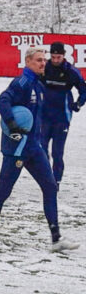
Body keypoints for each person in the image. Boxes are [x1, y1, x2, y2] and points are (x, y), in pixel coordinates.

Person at [0, 47, 79, 252]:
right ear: (28, 61)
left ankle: (56, 238)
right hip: (17, 149)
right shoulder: (22, 82)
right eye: (38, 60)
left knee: (50, 187)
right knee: (3, 191)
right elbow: (2, 101)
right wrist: (11, 125)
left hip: (34, 148)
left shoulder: (38, 84)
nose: (43, 63)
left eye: (44, 60)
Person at [41, 41, 86, 190]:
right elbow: (33, 84)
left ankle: (56, 181)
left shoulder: (71, 71)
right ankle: (46, 178)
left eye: (58, 57)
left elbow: (83, 90)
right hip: (44, 116)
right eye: (53, 57)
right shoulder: (45, 68)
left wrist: (78, 103)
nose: (55, 60)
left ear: (64, 56)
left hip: (62, 118)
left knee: (57, 152)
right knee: (41, 149)